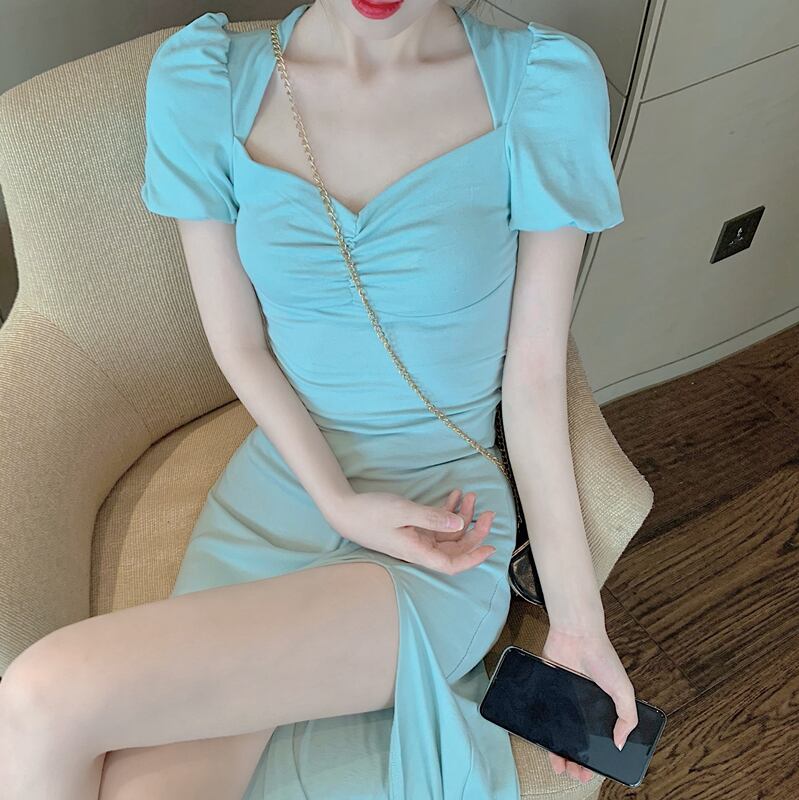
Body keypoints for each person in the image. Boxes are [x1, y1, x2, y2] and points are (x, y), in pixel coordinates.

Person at [0, 1, 638, 798]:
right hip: (283, 490)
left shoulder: (543, 87)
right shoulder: (204, 84)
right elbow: (239, 344)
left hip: (440, 526)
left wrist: (577, 624)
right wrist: (337, 502)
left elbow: (534, 377)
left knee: (42, 695)